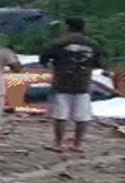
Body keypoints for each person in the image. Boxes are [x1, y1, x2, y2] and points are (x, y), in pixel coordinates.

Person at [39, 18, 106, 153]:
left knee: (60, 115)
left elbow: (43, 59)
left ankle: (59, 143)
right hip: (83, 83)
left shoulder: (59, 43)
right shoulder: (93, 44)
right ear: (83, 28)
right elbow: (100, 63)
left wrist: (54, 65)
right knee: (82, 117)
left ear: (67, 27)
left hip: (61, 83)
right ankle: (77, 144)